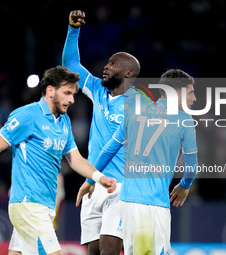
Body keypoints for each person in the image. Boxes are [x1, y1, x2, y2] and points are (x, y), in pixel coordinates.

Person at [0, 66, 117, 255]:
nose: (72, 100)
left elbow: (75, 159)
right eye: (67, 93)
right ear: (50, 90)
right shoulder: (27, 115)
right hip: (29, 204)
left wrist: (100, 178)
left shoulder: (64, 121)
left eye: (73, 94)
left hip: (45, 206)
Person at [77, 69, 198, 255]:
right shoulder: (184, 120)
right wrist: (184, 185)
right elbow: (191, 168)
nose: (194, 98)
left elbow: (108, 150)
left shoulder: (134, 112)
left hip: (127, 202)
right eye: (191, 92)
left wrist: (91, 179)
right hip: (153, 204)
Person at [62, 10, 140, 254]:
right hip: (95, 184)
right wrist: (73, 30)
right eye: (107, 63)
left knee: (109, 250)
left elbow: (114, 146)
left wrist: (90, 178)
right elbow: (71, 65)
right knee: (94, 251)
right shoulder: (97, 90)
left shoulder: (137, 104)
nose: (106, 67)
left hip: (121, 186)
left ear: (128, 73)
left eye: (113, 64)